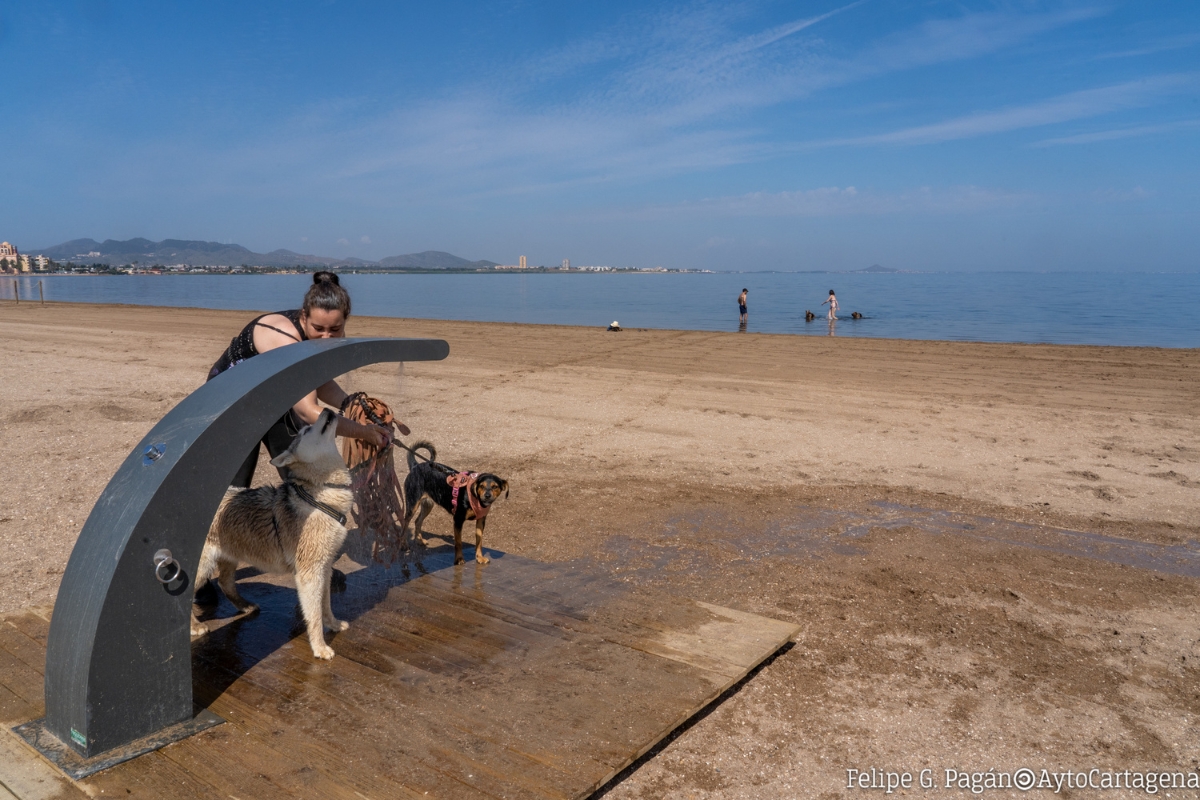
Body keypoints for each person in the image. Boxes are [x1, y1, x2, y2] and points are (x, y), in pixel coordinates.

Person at [197, 271, 399, 604]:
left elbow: (321, 383)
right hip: (230, 408)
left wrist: (353, 403)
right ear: (303, 316)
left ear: (345, 322)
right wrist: (363, 432)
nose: (325, 335)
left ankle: (311, 558)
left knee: (302, 478)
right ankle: (200, 572)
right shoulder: (282, 336)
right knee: (229, 495)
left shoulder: (314, 337)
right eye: (318, 328)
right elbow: (308, 410)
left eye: (335, 329)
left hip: (272, 404)